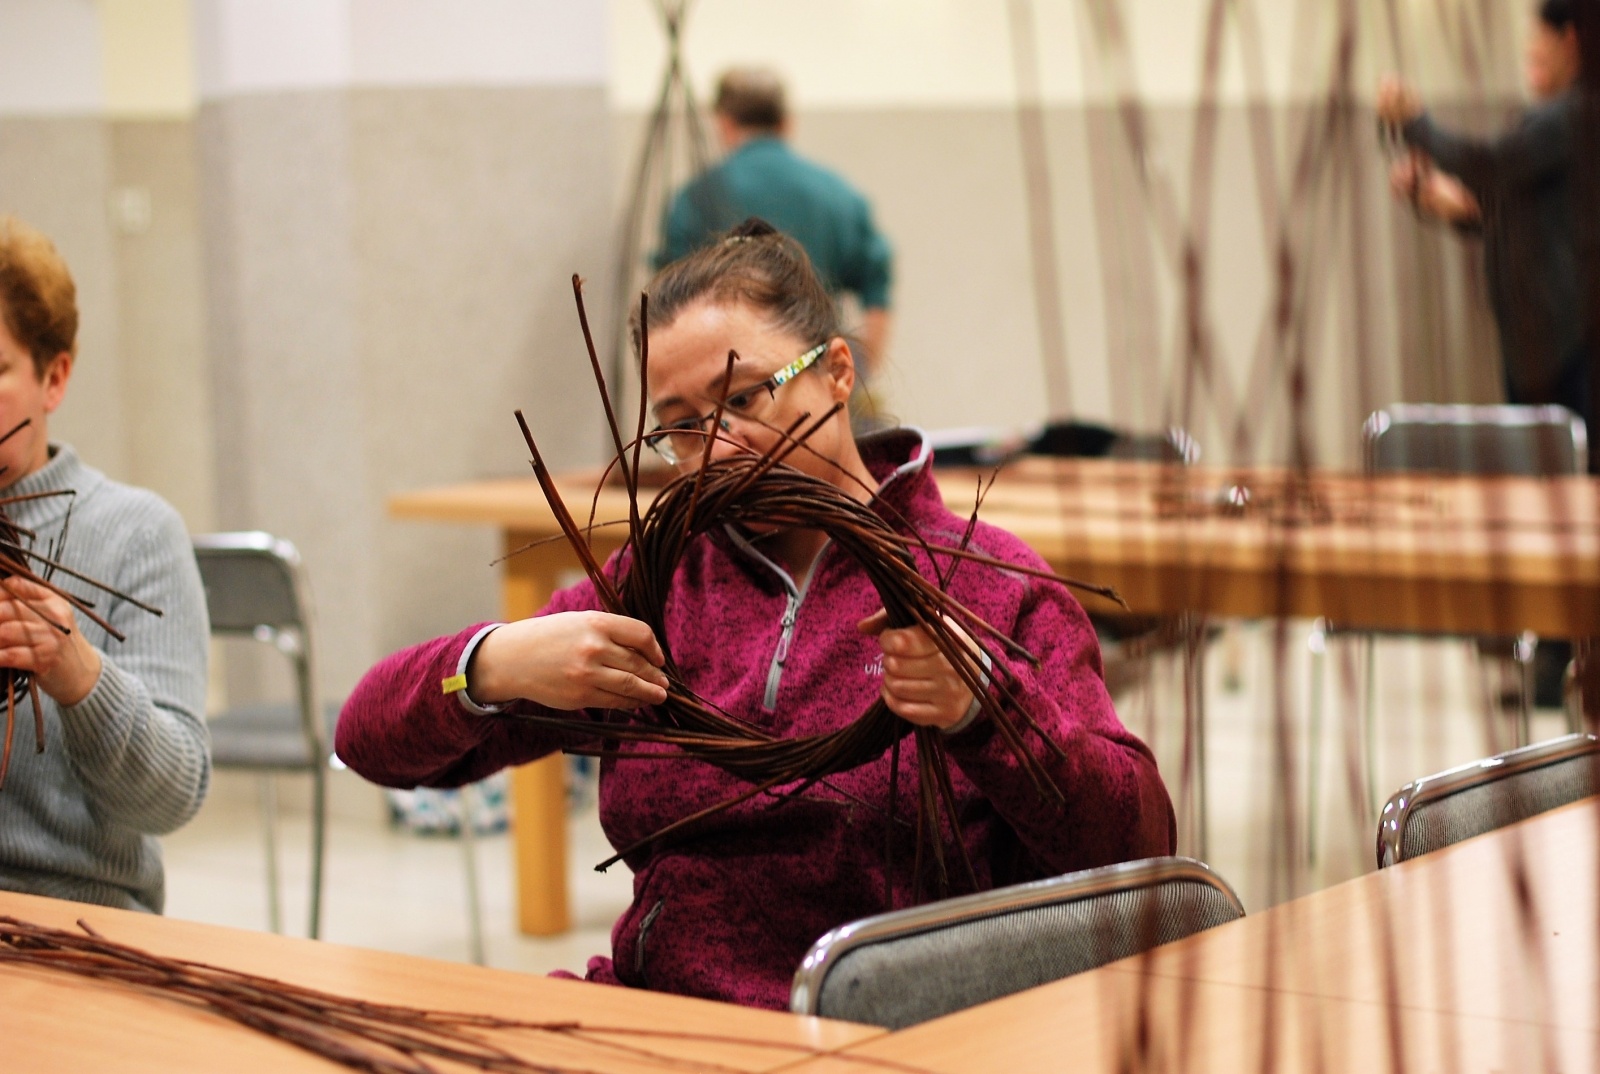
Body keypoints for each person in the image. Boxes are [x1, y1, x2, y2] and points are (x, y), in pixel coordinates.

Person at [337, 220, 1174, 1010]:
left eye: (745, 398)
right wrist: (489, 666)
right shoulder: (656, 588)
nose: (721, 446)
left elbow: (1136, 850)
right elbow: (365, 740)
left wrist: (988, 708)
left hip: (891, 1035)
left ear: (838, 371)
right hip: (656, 1024)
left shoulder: (987, 586)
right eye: (681, 427)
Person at [0, 216, 210, 912]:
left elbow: (174, 797)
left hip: (82, 922)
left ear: (53, 376)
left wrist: (78, 673)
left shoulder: (135, 533)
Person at [1378, 0, 1589, 433]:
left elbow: (1492, 166)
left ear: (1569, 40)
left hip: (1573, 349)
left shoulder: (1575, 115)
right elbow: (1527, 211)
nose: (1530, 51)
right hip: (1539, 348)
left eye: (1538, 39)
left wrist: (1417, 124)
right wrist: (1446, 204)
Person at [655, 68, 894, 380]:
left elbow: (667, 305)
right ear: (786, 123)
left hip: (729, 388)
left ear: (724, 124)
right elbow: (877, 291)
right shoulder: (838, 195)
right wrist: (857, 377)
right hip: (818, 381)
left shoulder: (696, 199)